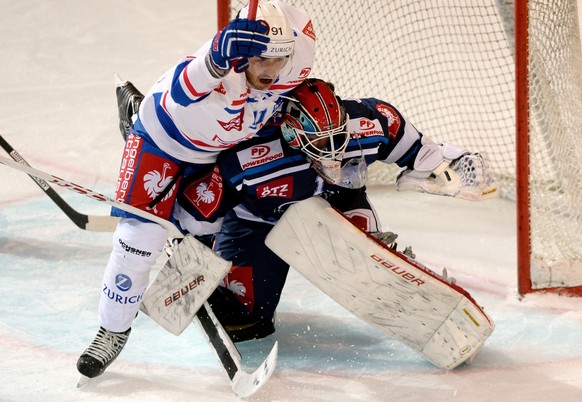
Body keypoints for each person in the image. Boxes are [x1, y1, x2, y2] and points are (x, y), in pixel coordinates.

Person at [77, 1, 316, 379]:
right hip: (161, 144)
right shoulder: (216, 66)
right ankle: (112, 330)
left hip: (213, 153)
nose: (272, 71)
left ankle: (189, 279)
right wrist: (216, 60)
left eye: (279, 60)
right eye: (262, 61)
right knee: (138, 242)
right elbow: (184, 89)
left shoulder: (299, 49)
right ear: (242, 56)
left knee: (200, 237)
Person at [172, 78, 498, 342]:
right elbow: (197, 214)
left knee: (371, 260)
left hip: (337, 203)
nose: (332, 151)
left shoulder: (371, 120)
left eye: (337, 137)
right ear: (291, 133)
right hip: (256, 221)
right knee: (245, 322)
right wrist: (194, 267)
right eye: (320, 142)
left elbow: (424, 154)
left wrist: (462, 165)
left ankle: (394, 267)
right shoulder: (246, 156)